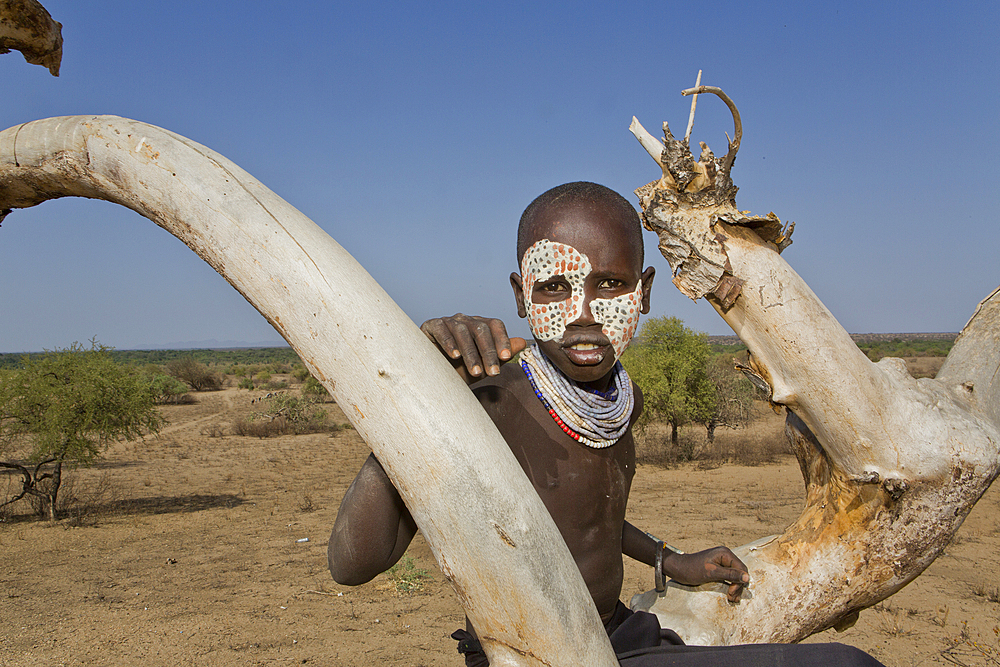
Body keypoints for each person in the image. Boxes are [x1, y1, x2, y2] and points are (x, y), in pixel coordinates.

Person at [328, 182, 883, 666]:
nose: (585, 312)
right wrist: (415, 399)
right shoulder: (491, 401)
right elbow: (352, 565)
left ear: (643, 292)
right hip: (536, 651)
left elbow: (590, 516)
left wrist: (669, 560)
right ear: (522, 295)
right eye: (554, 288)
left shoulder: (621, 399)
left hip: (620, 633)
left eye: (610, 285)